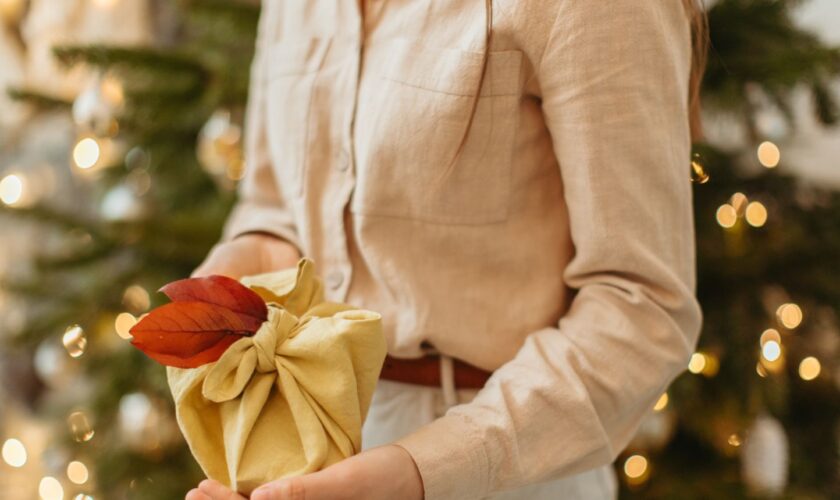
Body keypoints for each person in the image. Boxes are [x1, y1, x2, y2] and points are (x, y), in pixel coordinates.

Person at [186, 0, 708, 499]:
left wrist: (422, 470)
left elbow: (643, 304)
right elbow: (273, 202)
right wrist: (240, 268)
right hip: (306, 436)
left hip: (507, 468)